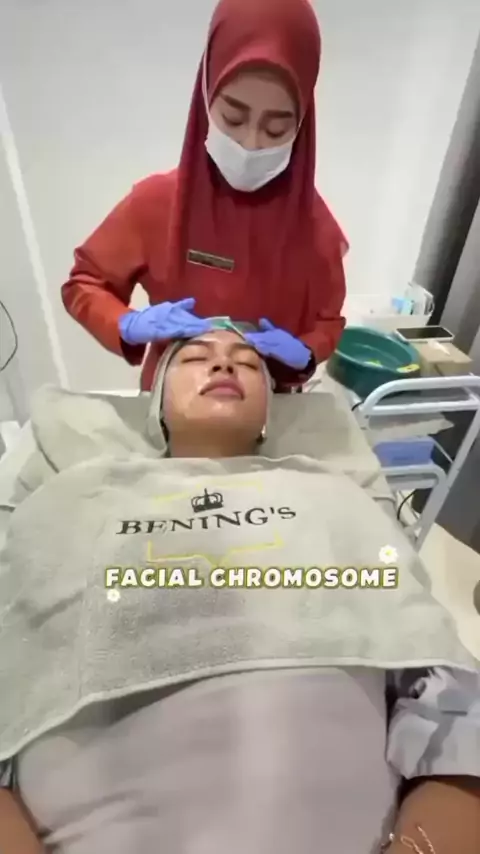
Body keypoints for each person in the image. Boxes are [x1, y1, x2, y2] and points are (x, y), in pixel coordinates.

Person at [0, 327, 479, 854]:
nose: (224, 365)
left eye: (248, 363)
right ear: (157, 408)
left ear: (269, 414)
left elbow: (451, 701)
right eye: (195, 358)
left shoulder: (334, 494)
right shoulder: (74, 498)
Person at [61, 0, 348, 392]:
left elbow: (327, 321)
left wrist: (307, 352)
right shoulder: (156, 204)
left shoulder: (315, 230)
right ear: (206, 97)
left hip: (267, 404)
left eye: (276, 129)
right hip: (173, 400)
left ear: (302, 125)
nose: (250, 144)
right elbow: (84, 283)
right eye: (233, 118)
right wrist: (126, 324)